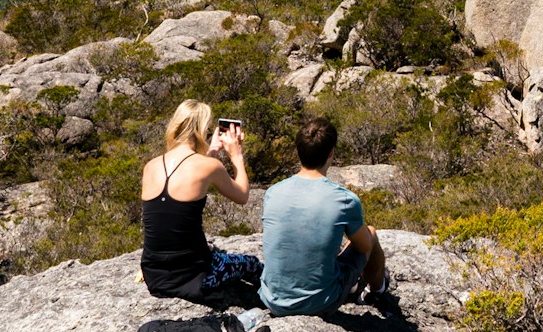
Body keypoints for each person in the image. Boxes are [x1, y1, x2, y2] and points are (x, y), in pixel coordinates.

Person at [138, 101, 266, 319]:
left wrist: (213, 150)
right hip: (193, 275)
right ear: (202, 130)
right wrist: (236, 156)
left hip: (154, 272)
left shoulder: (151, 166)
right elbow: (242, 195)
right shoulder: (208, 166)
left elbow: (192, 179)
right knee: (252, 265)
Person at [256, 112, 391, 318]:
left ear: (298, 151)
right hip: (319, 303)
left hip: (273, 300)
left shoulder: (273, 192)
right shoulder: (344, 200)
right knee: (369, 233)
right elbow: (364, 247)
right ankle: (377, 290)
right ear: (331, 154)